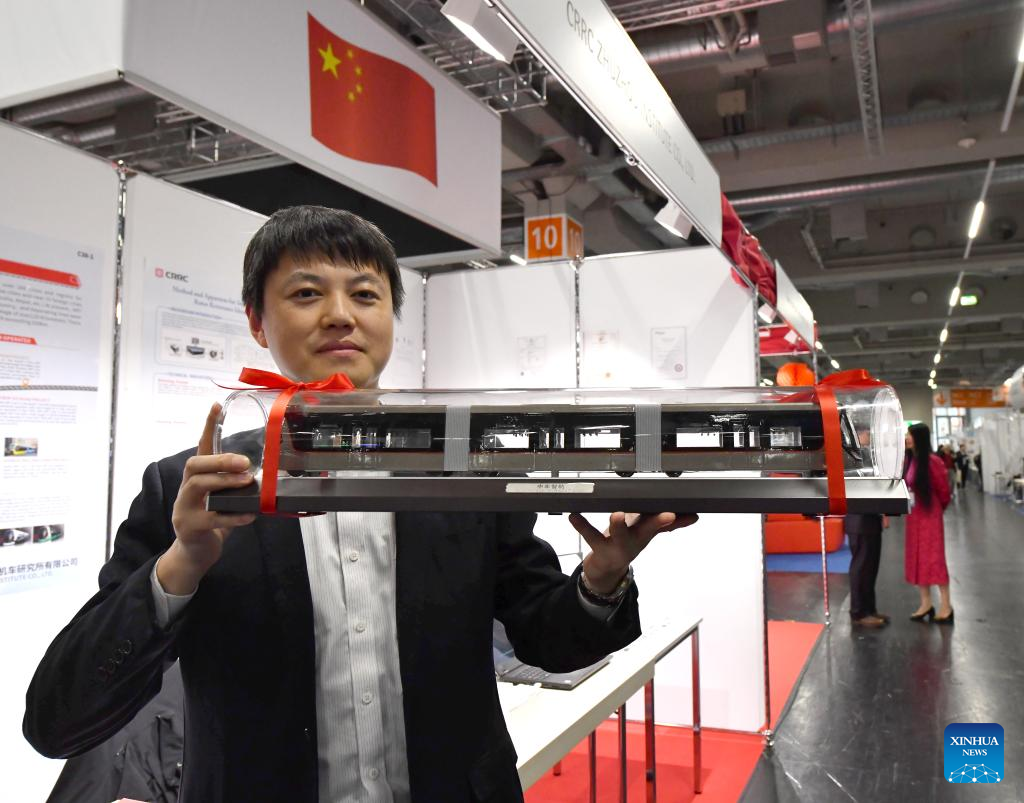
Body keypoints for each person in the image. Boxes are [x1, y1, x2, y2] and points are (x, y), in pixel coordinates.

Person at [23, 206, 698, 802]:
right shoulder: (195, 489)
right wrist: (180, 566)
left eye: (365, 293)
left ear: (391, 319)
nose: (340, 314)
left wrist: (601, 577)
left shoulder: (464, 471)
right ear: (258, 322)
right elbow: (59, 718)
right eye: (306, 292)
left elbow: (547, 640)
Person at [904, 423, 953, 624]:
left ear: (920, 438)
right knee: (917, 559)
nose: (906, 438)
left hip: (930, 516)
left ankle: (946, 606)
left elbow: (944, 491)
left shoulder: (933, 461)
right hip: (914, 517)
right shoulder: (910, 460)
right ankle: (926, 603)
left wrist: (937, 509)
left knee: (934, 559)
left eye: (910, 435)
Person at [844, 513, 889, 627]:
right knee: (861, 568)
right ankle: (858, 612)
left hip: (872, 522)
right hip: (859, 523)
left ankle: (869, 610)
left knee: (870, 569)